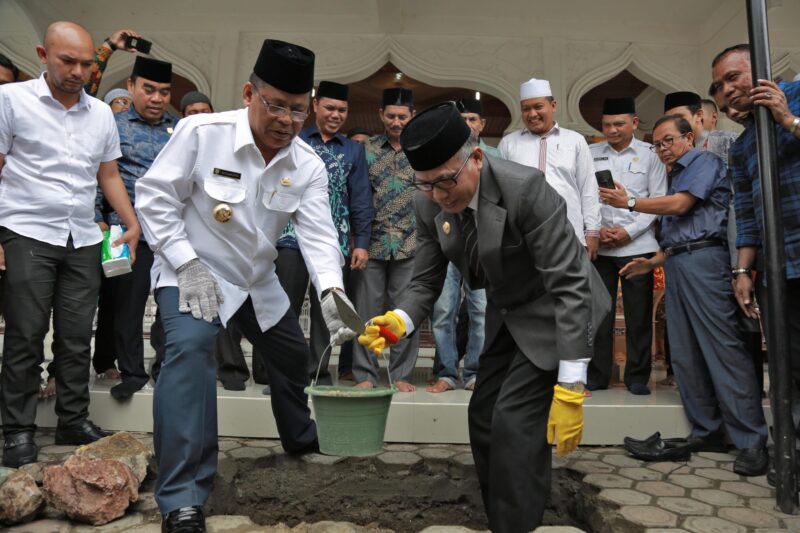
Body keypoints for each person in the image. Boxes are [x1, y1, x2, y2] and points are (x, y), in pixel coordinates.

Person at [135, 39, 357, 532]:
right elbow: (154, 198)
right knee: (190, 354)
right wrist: (184, 260)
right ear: (248, 93)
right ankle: (183, 497)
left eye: (297, 110)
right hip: (193, 271)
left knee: (292, 356)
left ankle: (299, 436)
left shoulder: (307, 164)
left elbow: (321, 238)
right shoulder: (201, 132)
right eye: (275, 104)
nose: (285, 119)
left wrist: (332, 295)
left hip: (256, 280)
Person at [357, 102, 609, 532]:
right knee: (483, 414)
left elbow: (570, 286)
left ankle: (517, 524)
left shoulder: (525, 189)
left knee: (514, 422)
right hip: (508, 313)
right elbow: (424, 281)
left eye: (446, 182)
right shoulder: (428, 204)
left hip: (558, 311)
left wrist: (571, 385)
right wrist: (398, 319)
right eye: (426, 185)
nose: (439, 196)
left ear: (477, 157)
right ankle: (503, 516)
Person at [0, 21, 141, 468]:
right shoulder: (9, 100)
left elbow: (109, 174)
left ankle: (72, 419)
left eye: (85, 63)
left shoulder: (100, 112)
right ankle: (18, 430)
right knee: (25, 333)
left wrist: (131, 223)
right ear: (43, 54)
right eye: (68, 61)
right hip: (26, 230)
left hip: (82, 236)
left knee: (78, 336)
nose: (79, 71)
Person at [600, 114, 769, 476]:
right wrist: (651, 262)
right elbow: (678, 236)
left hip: (705, 263)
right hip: (678, 262)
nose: (662, 149)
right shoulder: (676, 173)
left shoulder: (703, 162)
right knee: (686, 353)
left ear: (688, 138)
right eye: (657, 143)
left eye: (668, 141)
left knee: (722, 349)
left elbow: (680, 207)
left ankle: (751, 440)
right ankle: (707, 431)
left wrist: (630, 202)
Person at [711, 43, 800, 484]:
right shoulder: (745, 145)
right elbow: (745, 212)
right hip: (781, 269)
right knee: (788, 366)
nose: (727, 91)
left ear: (763, 69)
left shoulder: (798, 97)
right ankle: (792, 459)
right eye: (720, 86)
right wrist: (743, 270)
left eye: (734, 77)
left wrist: (786, 118)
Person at [275, 80, 373, 384]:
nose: (336, 114)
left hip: (335, 242)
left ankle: (316, 373)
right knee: (285, 308)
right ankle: (285, 374)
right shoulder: (294, 140)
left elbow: (360, 198)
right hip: (289, 238)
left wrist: (362, 243)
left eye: (342, 109)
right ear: (315, 105)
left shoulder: (353, 150)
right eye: (330, 107)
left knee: (328, 311)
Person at [94, 56, 178, 401]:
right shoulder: (112, 125)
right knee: (126, 305)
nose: (157, 98)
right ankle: (131, 371)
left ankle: (164, 368)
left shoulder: (181, 129)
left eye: (164, 91)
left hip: (170, 233)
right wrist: (97, 215)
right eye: (149, 89)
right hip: (126, 232)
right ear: (131, 87)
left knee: (169, 306)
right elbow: (99, 174)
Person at [589, 97, 667, 395]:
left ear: (634, 123)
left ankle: (637, 376)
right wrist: (597, 231)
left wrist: (627, 232)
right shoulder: (590, 153)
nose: (612, 130)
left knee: (638, 313)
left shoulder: (651, 154)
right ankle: (598, 375)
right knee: (600, 313)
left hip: (638, 245)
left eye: (619, 124)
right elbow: (586, 196)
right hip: (601, 246)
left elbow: (658, 200)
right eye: (607, 124)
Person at [353, 88, 419, 392]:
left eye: (402, 117)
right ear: (381, 115)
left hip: (412, 242)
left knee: (405, 310)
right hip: (373, 243)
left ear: (412, 116)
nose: (396, 122)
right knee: (366, 311)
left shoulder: (422, 147)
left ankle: (401, 374)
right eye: (390, 116)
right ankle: (365, 374)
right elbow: (358, 195)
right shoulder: (366, 150)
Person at [427, 97, 496, 393]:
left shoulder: (493, 155)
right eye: (462, 119)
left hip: (481, 244)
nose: (468, 125)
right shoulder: (443, 155)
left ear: (482, 125)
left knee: (481, 310)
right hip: (447, 242)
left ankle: (474, 372)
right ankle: (446, 372)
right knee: (443, 309)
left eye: (472, 119)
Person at [499, 78, 601, 260]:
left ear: (553, 105)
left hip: (568, 232)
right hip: (523, 236)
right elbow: (499, 190)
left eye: (538, 107)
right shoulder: (508, 144)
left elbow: (588, 188)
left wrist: (592, 231)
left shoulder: (575, 141)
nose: (532, 114)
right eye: (525, 109)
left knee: (569, 287)